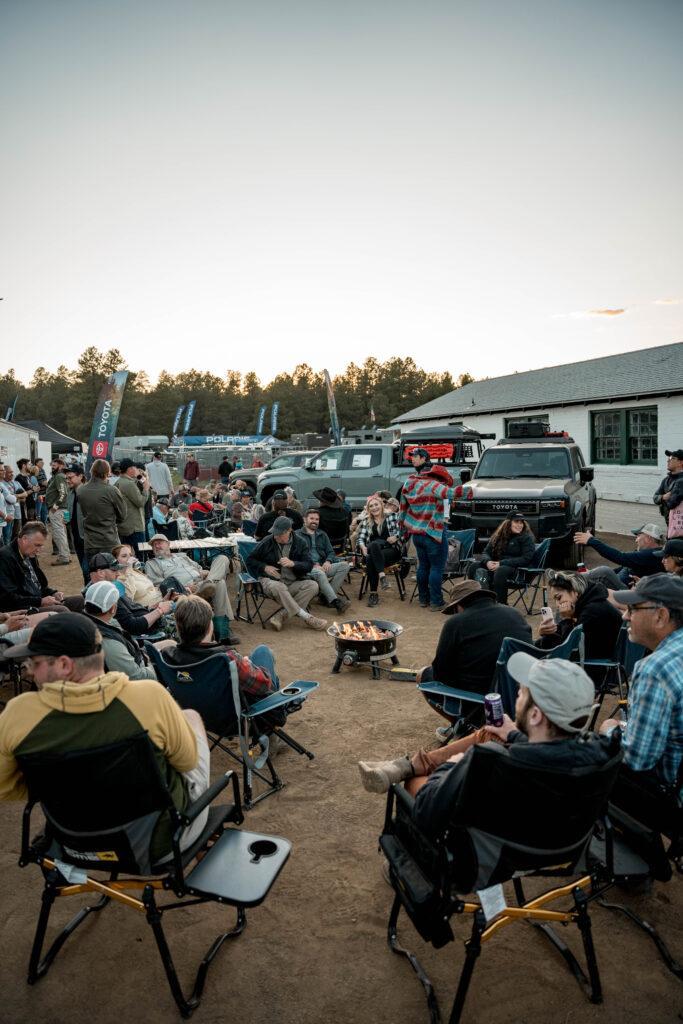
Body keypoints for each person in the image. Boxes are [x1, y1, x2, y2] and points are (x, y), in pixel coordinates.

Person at [0, 614, 212, 861]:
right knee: (190, 717)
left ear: (65, 665)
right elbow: (186, 763)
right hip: (160, 845)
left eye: (34, 663)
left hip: (74, 843)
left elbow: (5, 787)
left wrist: (69, 784)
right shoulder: (148, 698)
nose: (30, 671)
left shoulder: (17, 715)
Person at [358, 657, 609, 803]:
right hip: (559, 839)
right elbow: (547, 755)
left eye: (521, 694)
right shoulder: (600, 752)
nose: (516, 698)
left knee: (414, 782)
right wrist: (512, 733)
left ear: (535, 715)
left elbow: (429, 808)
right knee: (492, 732)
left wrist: (451, 765)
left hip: (490, 849)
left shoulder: (493, 764)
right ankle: (403, 765)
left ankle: (408, 771)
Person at [600, 575, 683, 817]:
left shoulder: (654, 669)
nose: (625, 616)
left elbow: (637, 759)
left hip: (670, 794)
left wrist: (610, 729)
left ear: (661, 616)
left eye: (633, 609)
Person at [416, 579, 531, 738]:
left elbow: (440, 673)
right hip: (518, 692)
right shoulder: (515, 614)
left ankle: (465, 726)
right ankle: (468, 725)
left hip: (482, 696)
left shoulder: (455, 623)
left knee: (423, 675)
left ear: (459, 605)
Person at [163, 595, 286, 733]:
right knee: (263, 652)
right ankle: (271, 732)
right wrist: (247, 664)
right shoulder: (226, 658)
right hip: (236, 721)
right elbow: (264, 685)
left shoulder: (168, 657)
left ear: (178, 628)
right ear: (210, 626)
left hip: (197, 717)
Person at [144, 535, 239, 643]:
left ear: (168, 544)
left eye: (159, 542)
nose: (156, 546)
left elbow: (200, 569)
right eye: (154, 545)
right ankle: (222, 635)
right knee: (220, 584)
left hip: (202, 583)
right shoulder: (152, 563)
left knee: (222, 558)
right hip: (185, 591)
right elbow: (160, 585)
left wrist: (206, 574)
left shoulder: (182, 556)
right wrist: (186, 588)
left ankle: (209, 584)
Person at [246, 516, 327, 632]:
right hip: (269, 582)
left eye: (279, 534)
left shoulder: (300, 543)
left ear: (289, 530)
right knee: (280, 587)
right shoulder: (268, 541)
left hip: (292, 582)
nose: (276, 536)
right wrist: (264, 567)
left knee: (313, 585)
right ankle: (307, 617)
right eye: (274, 533)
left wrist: (293, 563)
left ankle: (280, 616)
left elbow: (309, 565)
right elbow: (250, 560)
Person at [400, 464, 457, 611]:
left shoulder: (410, 484)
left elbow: (402, 507)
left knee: (423, 566)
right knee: (437, 568)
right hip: (433, 533)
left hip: (416, 534)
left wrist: (402, 525)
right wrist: (471, 490)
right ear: (440, 477)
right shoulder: (434, 486)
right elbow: (453, 493)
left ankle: (423, 599)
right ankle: (436, 602)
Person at [538, 569, 623, 666]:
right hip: (597, 661)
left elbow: (567, 651)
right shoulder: (592, 603)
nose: (557, 604)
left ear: (574, 591)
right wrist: (546, 633)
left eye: (559, 598)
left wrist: (567, 619)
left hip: (597, 668)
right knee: (536, 646)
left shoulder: (592, 611)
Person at [0, 522, 83, 614]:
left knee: (81, 601)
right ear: (24, 539)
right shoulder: (5, 557)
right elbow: (7, 598)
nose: (39, 550)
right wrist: (40, 601)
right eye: (37, 545)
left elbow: (39, 585)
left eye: (41, 545)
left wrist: (53, 593)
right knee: (61, 611)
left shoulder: (29, 553)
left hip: (37, 601)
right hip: (21, 609)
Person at [83, 580, 158, 681]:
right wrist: (149, 664)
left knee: (168, 644)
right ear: (113, 608)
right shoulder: (108, 641)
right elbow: (136, 677)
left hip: (135, 655)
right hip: (139, 682)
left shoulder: (84, 622)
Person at [88, 552, 175, 637]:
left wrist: (156, 606)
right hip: (151, 635)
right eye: (114, 570)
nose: (118, 573)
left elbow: (132, 609)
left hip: (155, 624)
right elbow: (133, 626)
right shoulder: (102, 596)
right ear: (100, 573)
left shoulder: (107, 589)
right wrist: (160, 610)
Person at [467, 512, 536, 605]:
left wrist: (501, 563)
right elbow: (486, 552)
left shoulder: (526, 538)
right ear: (508, 523)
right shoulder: (498, 536)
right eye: (516, 522)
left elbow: (526, 559)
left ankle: (500, 605)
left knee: (501, 570)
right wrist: (488, 562)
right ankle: (477, 601)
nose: (520, 525)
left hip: (517, 570)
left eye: (521, 522)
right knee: (474, 566)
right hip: (496, 566)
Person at [574, 522, 665, 587]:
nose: (636, 540)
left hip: (625, 592)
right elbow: (623, 567)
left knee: (604, 571)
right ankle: (581, 578)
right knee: (602, 572)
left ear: (648, 538)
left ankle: (573, 581)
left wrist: (592, 541)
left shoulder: (653, 554)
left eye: (638, 536)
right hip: (618, 586)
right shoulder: (647, 555)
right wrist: (593, 574)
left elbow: (620, 557)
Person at [297, 508, 351, 612]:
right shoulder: (297, 535)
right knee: (319, 573)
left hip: (322, 566)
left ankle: (324, 597)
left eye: (317, 519)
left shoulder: (322, 534)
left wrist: (328, 561)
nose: (314, 521)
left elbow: (331, 552)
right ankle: (335, 601)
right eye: (311, 518)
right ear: (305, 520)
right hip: (306, 568)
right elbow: (297, 556)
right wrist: (312, 565)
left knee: (345, 566)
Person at [76, 458, 127, 561]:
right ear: (107, 472)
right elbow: (122, 515)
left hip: (90, 541)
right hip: (109, 539)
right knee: (112, 573)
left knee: (94, 572)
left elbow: (82, 513)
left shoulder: (81, 490)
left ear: (92, 471)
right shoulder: (111, 490)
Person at [356, 494, 401, 607]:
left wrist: (396, 537)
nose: (374, 507)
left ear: (381, 505)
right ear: (368, 509)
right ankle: (382, 577)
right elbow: (360, 538)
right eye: (371, 506)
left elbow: (405, 530)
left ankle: (373, 593)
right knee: (374, 546)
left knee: (371, 558)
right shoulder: (366, 521)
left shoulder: (392, 517)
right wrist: (363, 547)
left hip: (390, 550)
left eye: (376, 504)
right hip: (373, 549)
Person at [115, 459, 149, 555]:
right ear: (130, 469)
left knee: (127, 556)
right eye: (134, 468)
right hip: (134, 527)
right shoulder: (128, 484)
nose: (136, 470)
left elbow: (143, 481)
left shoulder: (120, 481)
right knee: (141, 556)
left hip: (125, 525)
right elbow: (140, 502)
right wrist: (146, 490)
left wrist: (141, 477)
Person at [65, 464, 89, 583]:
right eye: (67, 478)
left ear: (80, 477)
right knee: (84, 570)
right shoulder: (70, 494)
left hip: (88, 537)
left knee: (88, 570)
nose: (68, 480)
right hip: (76, 536)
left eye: (71, 478)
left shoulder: (87, 492)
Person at [311, 486, 350, 551]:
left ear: (322, 501)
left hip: (322, 547)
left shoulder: (318, 513)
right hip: (340, 546)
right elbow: (347, 531)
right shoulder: (343, 512)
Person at [653, 449, 683, 530]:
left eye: (672, 458)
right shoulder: (666, 480)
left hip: (679, 524)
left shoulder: (681, 481)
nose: (668, 461)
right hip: (670, 523)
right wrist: (663, 497)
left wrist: (663, 499)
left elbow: (672, 503)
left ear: (681, 462)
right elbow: (655, 497)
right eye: (668, 458)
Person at [0, 466, 19, 545]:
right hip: (5, 517)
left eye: (4, 470)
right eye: (1, 470)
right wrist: (5, 516)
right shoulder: (2, 485)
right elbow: (12, 499)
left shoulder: (1, 484)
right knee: (6, 541)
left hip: (4, 519)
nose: (4, 471)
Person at [34, 457, 48, 523]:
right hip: (39, 496)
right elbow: (43, 482)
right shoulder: (36, 471)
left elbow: (45, 481)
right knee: (38, 512)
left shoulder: (42, 470)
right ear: (36, 463)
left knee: (44, 512)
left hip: (44, 494)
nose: (43, 463)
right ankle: (39, 526)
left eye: (43, 462)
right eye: (41, 462)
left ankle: (44, 526)